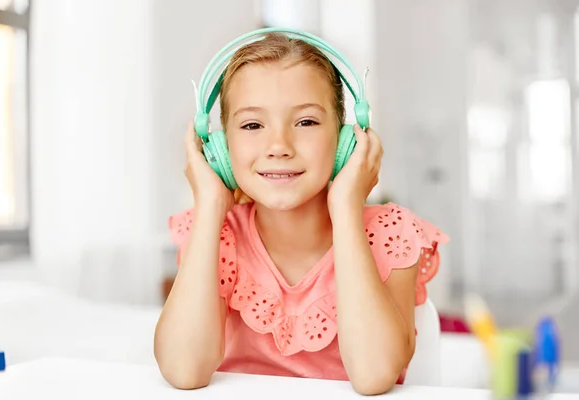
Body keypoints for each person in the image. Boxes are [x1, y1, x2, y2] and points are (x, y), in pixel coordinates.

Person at [154, 30, 449, 395]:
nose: (279, 146)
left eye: (306, 122)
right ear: (220, 149)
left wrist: (345, 208)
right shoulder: (214, 235)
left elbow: (374, 375)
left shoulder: (393, 234)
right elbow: (184, 371)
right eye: (252, 125)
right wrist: (211, 206)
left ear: (345, 141)